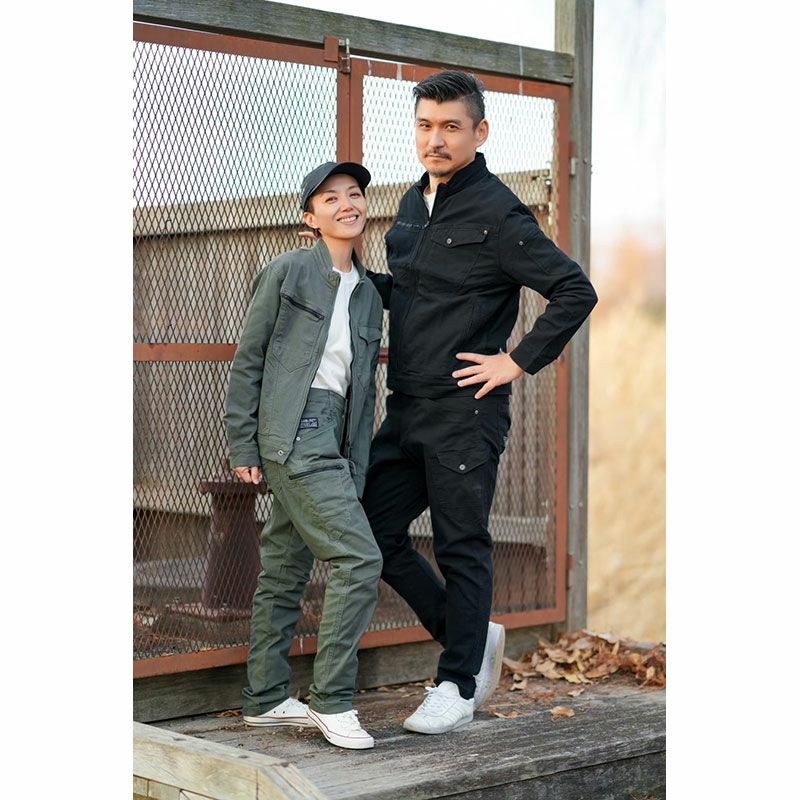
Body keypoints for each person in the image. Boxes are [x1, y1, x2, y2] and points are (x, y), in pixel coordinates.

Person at [361, 71, 598, 734]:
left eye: (450, 127)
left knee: (461, 543)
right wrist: (347, 275)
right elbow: (413, 294)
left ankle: (458, 684)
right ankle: (467, 633)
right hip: (406, 407)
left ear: (479, 132)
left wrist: (515, 361)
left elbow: (575, 291)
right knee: (370, 529)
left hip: (465, 413)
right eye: (425, 126)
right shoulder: (413, 203)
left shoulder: (499, 213)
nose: (435, 140)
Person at [224, 161, 385, 750]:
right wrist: (243, 442)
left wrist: (354, 460)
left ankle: (265, 698)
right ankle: (333, 701)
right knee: (359, 559)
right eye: (330, 198)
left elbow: (361, 387)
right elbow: (250, 360)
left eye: (354, 194)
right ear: (310, 217)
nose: (346, 204)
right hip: (294, 429)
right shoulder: (287, 271)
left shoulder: (369, 293)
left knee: (286, 567)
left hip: (334, 435)